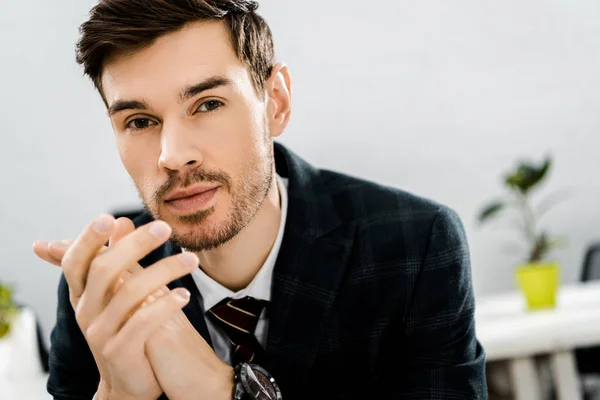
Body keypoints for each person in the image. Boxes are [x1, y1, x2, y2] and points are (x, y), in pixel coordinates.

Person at [33, 0, 487, 399]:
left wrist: (218, 390)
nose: (172, 156)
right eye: (139, 121)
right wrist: (120, 397)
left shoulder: (415, 246)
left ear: (275, 103)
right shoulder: (106, 282)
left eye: (207, 104)